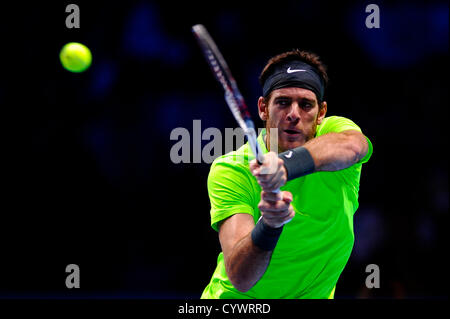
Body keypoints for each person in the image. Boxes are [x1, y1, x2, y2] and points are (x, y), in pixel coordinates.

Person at [201, 49, 373, 299]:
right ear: (263, 108)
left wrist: (283, 166)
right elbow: (241, 278)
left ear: (321, 113)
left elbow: (355, 146)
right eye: (283, 102)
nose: (294, 114)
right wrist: (270, 225)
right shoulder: (232, 169)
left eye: (306, 105)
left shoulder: (335, 132)